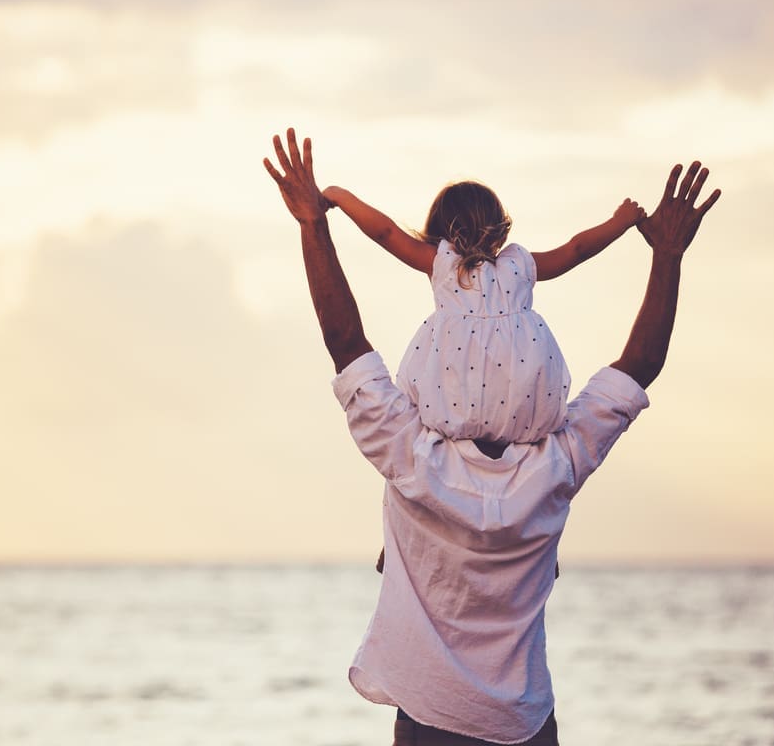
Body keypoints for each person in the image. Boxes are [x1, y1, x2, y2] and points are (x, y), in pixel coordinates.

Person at [264, 128, 719, 746]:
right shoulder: (557, 465)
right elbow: (638, 365)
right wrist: (666, 256)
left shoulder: (411, 458)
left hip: (429, 720)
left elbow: (346, 343)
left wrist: (314, 223)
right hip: (524, 724)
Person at [322, 182, 645, 443]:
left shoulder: (443, 263)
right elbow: (576, 250)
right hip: (521, 406)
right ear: (500, 230)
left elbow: (386, 233)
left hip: (456, 406)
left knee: (448, 398)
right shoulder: (520, 265)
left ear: (440, 230)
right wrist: (620, 222)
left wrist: (339, 196)